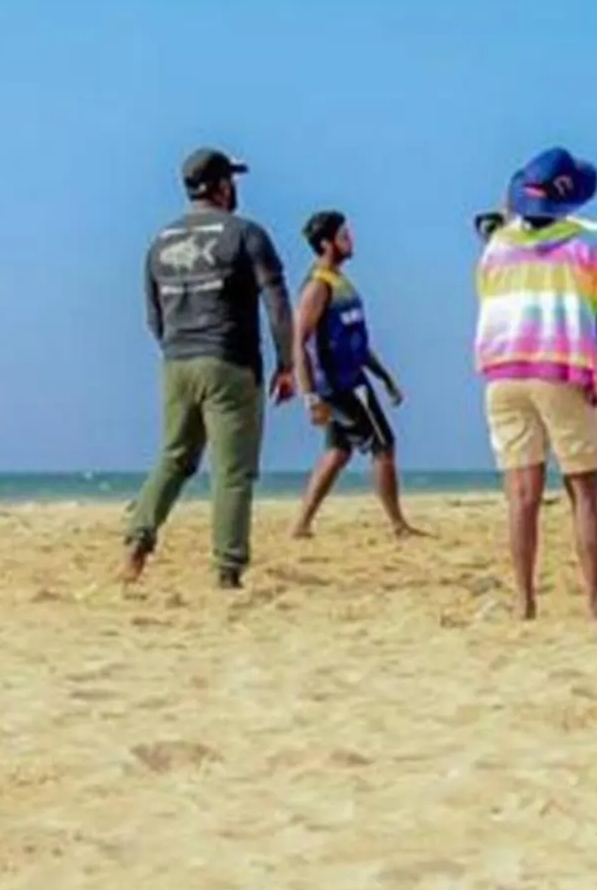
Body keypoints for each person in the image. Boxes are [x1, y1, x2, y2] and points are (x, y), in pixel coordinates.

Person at [121, 146, 297, 590]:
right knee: (232, 470)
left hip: (177, 361)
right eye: (231, 180)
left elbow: (151, 317)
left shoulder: (159, 242)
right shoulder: (245, 234)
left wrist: (176, 348)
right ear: (222, 186)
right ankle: (227, 568)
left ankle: (136, 545)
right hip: (229, 360)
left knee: (175, 456)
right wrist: (287, 363)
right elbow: (276, 302)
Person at [474, 146, 597, 619]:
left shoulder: (496, 246)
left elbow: (488, 297)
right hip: (562, 369)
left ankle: (524, 603)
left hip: (503, 373)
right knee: (585, 489)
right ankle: (596, 603)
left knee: (520, 496)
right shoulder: (587, 245)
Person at [288, 210, 419, 542]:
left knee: (338, 451)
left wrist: (384, 376)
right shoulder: (317, 285)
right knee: (383, 446)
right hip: (339, 385)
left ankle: (301, 524)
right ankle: (398, 525)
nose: (351, 240)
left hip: (354, 378)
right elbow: (298, 342)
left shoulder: (339, 281)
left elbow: (356, 342)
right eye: (344, 236)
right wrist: (310, 397)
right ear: (325, 243)